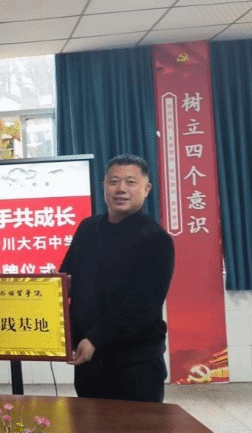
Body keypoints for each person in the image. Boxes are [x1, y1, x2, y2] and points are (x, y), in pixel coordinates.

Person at [59, 154, 175, 402]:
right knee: (89, 420)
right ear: (104, 187)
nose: (121, 189)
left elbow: (142, 307)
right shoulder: (88, 228)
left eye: (131, 182)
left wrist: (95, 339)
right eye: (113, 181)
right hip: (88, 358)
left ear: (146, 189)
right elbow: (67, 278)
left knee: (135, 422)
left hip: (135, 364)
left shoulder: (155, 239)